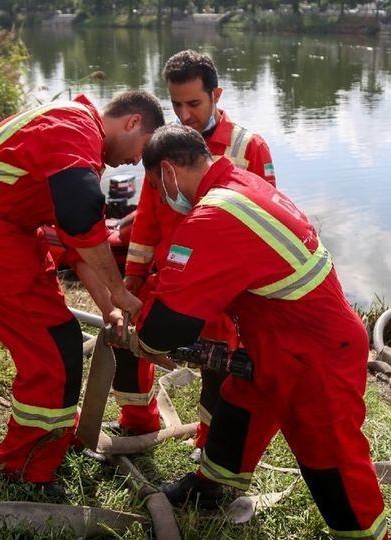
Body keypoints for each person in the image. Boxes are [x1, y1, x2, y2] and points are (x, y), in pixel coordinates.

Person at [130, 125, 388, 539]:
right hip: (280, 338)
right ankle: (210, 487)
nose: (162, 199)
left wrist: (139, 333)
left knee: (330, 459)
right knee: (239, 406)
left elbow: (166, 327)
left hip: (314, 354)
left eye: (158, 189)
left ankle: (367, 535)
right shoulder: (240, 182)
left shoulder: (213, 216)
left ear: (167, 172)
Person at [0, 90, 165, 490]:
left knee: (61, 342)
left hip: (8, 236)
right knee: (51, 355)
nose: (134, 163)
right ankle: (21, 472)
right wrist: (120, 291)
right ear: (131, 122)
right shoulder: (72, 129)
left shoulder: (72, 130)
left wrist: (110, 306)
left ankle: (56, 441)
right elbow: (79, 217)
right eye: (141, 149)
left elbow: (77, 244)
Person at [109, 50, 277, 450]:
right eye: (176, 104)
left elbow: (267, 219)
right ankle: (136, 422)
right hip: (169, 276)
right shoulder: (164, 144)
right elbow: (148, 218)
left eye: (194, 104)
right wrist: (132, 281)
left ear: (216, 94)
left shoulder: (248, 147)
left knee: (219, 366)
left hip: (221, 287)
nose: (184, 115)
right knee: (131, 339)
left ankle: (207, 442)